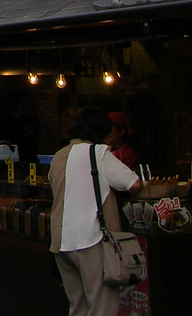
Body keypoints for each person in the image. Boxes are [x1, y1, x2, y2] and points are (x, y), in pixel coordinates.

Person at [50, 107, 142, 316]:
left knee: (78, 307)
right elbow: (134, 184)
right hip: (91, 239)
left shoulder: (58, 156)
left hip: (61, 241)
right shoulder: (99, 153)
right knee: (102, 307)